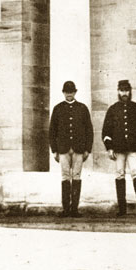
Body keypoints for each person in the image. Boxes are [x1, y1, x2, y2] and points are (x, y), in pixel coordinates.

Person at [102, 79, 136, 216]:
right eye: (122, 90)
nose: (124, 93)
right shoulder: (113, 109)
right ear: (118, 91)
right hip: (118, 149)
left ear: (130, 92)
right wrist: (109, 148)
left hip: (133, 148)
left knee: (135, 172)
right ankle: (122, 210)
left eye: (126, 90)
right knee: (119, 174)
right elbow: (106, 132)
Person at [49, 80, 93, 217]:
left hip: (79, 149)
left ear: (75, 92)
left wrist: (87, 149)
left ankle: (74, 209)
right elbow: (52, 131)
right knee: (65, 177)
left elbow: (89, 130)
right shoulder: (58, 109)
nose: (69, 94)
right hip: (63, 149)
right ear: (63, 92)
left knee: (77, 176)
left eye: (71, 92)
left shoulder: (82, 108)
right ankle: (66, 209)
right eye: (67, 92)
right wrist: (54, 150)